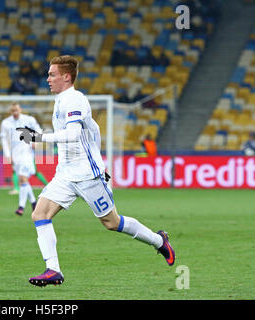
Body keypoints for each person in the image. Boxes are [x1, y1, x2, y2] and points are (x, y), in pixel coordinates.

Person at [17, 55, 175, 287]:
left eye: (52, 74)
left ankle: (159, 241)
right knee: (39, 214)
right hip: (65, 173)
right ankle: (53, 270)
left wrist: (38, 137)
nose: (47, 78)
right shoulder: (61, 100)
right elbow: (90, 129)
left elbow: (71, 136)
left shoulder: (75, 100)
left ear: (66, 77)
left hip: (87, 174)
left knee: (111, 222)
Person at [0, 102, 41, 215]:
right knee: (23, 180)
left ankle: (21, 207)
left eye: (17, 110)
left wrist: (35, 141)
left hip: (27, 154)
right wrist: (8, 155)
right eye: (13, 111)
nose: (15, 112)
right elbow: (4, 139)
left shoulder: (29, 120)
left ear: (20, 109)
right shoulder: (6, 123)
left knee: (23, 178)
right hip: (15, 155)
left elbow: (38, 130)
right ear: (11, 111)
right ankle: (33, 203)